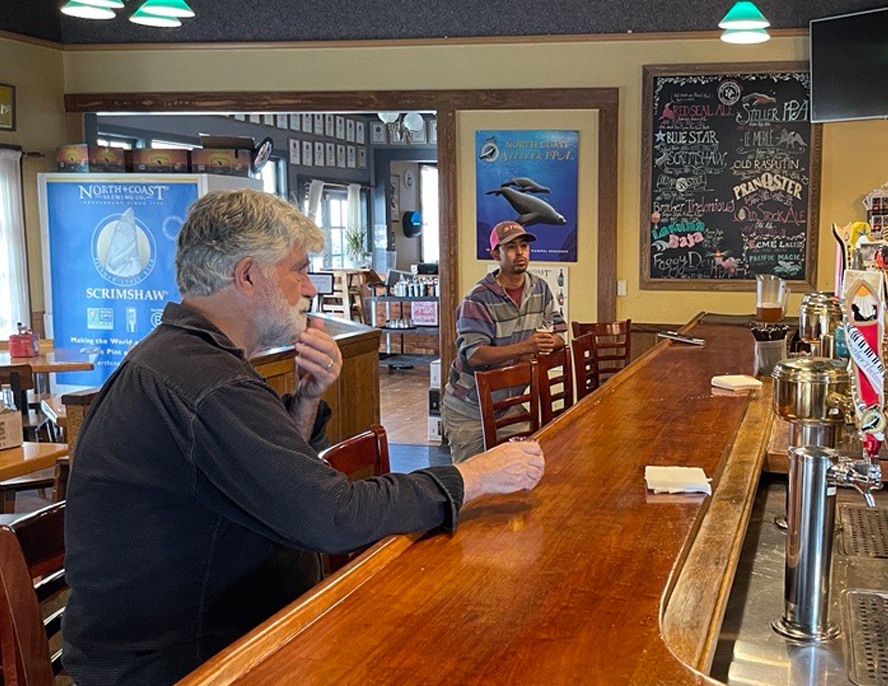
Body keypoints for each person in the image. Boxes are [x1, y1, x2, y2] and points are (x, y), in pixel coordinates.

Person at [62, 190, 545, 686]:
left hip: (221, 634)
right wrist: (469, 476)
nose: (311, 287)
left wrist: (308, 399)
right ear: (248, 275)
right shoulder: (205, 382)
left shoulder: (185, 358)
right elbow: (331, 515)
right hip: (189, 663)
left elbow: (271, 481)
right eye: (299, 269)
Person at [441, 220, 566, 462]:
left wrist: (544, 344)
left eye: (524, 246)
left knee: (526, 468)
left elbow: (560, 332)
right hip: (469, 408)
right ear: (495, 254)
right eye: (510, 247)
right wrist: (526, 347)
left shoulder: (541, 288)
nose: (520, 252)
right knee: (472, 484)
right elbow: (475, 355)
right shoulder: (477, 299)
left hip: (509, 405)